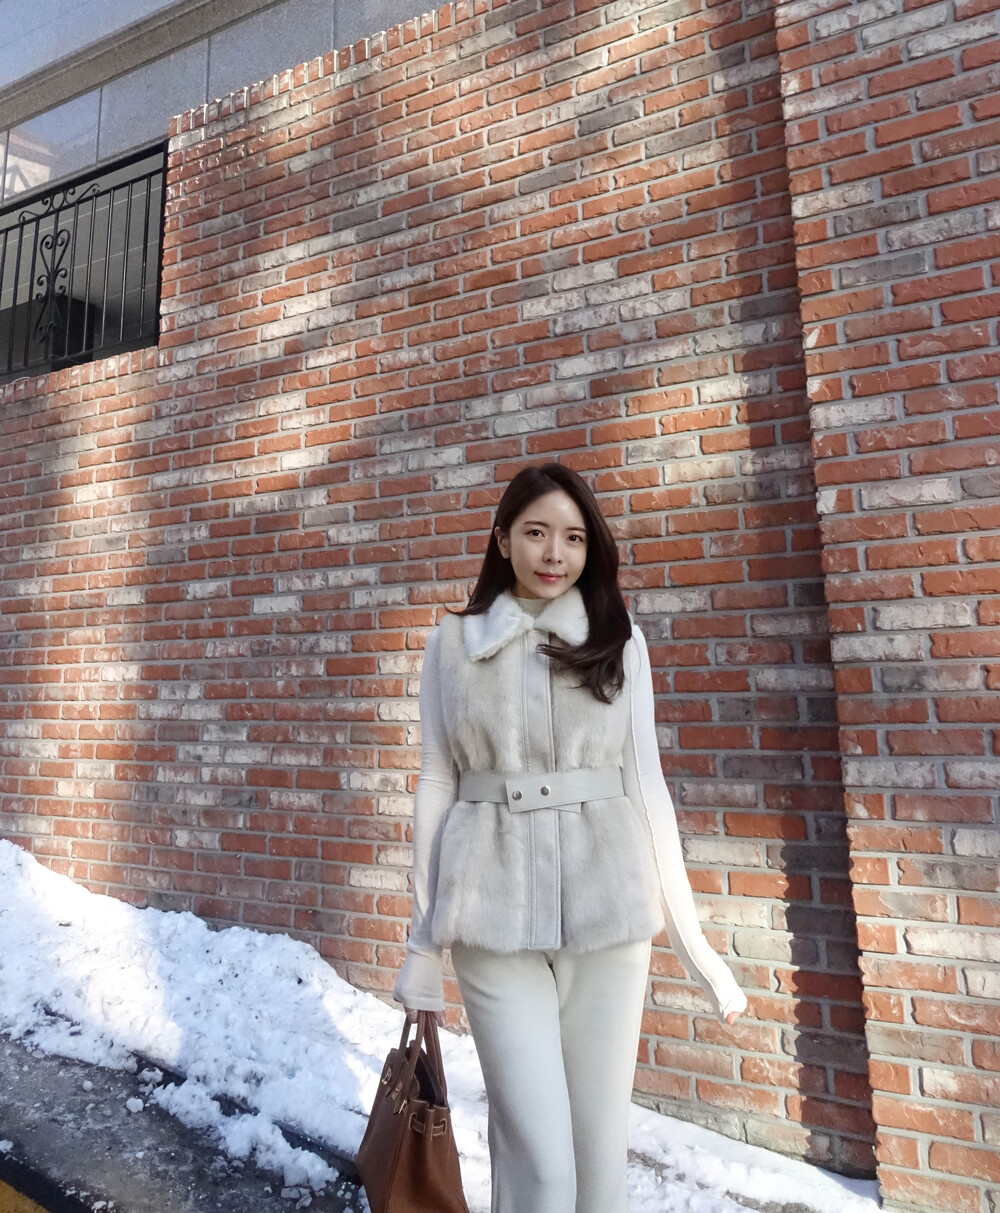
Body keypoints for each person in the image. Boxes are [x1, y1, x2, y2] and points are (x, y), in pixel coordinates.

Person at [393, 461, 748, 1213]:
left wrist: (694, 944)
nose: (555, 553)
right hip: (489, 915)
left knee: (598, 1158)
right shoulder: (451, 644)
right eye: (536, 532)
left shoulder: (620, 639)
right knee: (543, 1166)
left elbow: (645, 784)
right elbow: (435, 782)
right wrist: (423, 946)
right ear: (502, 540)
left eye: (575, 537)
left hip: (608, 915)